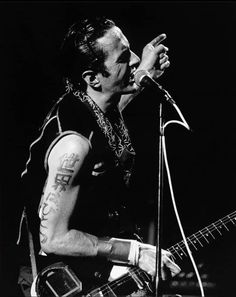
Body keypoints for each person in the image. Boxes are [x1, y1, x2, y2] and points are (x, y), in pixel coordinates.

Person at [17, 16, 180, 296]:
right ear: (92, 78)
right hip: (62, 278)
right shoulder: (73, 147)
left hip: (90, 256)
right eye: (124, 57)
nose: (136, 60)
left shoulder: (94, 103)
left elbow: (113, 103)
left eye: (131, 50)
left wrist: (144, 74)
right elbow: (53, 240)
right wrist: (135, 252)